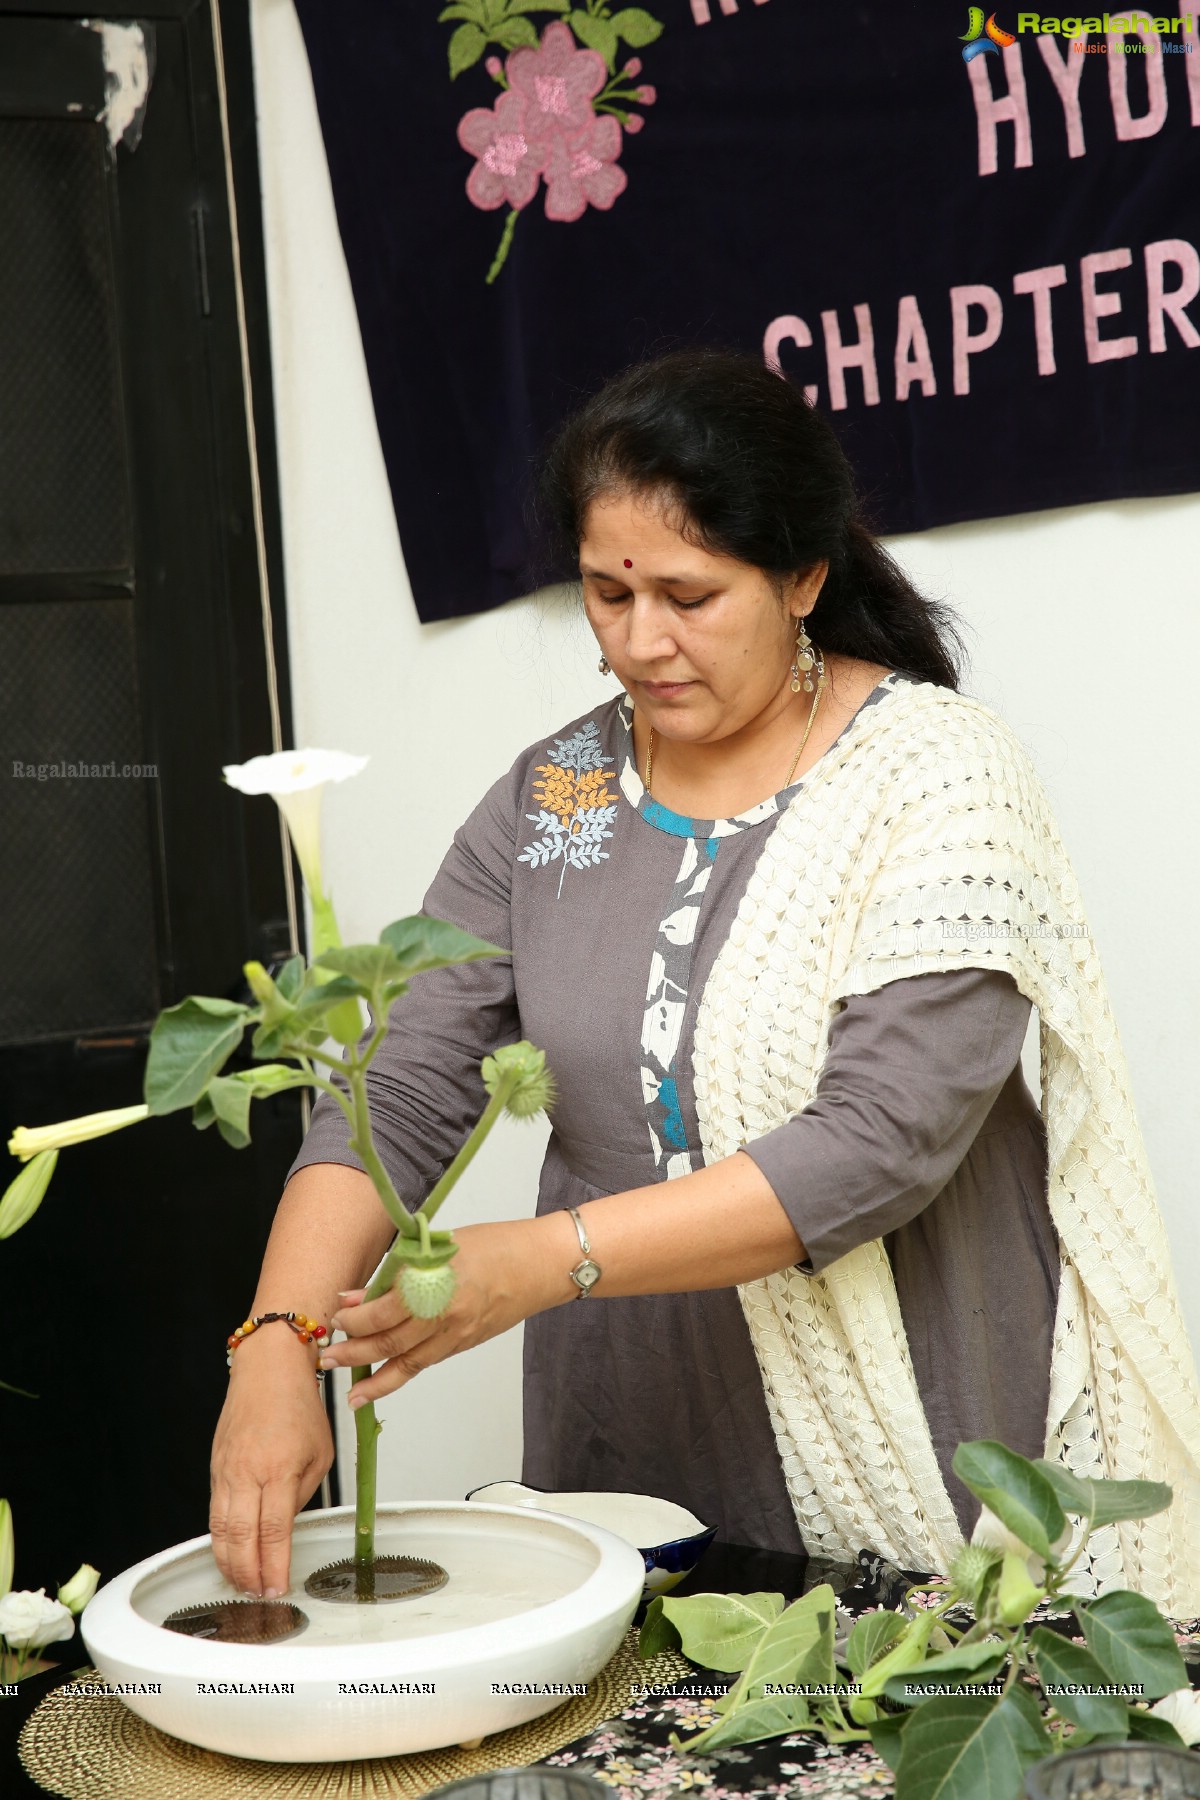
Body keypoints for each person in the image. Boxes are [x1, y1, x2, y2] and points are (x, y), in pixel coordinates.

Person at [210, 350, 1200, 1614]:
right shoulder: (554, 795)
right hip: (634, 1427)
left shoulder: (937, 775)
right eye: (606, 593)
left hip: (907, 1406)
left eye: (688, 593)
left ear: (802, 576)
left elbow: (881, 1140)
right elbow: (401, 1086)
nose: (641, 641)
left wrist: (535, 1259)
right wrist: (274, 1346)